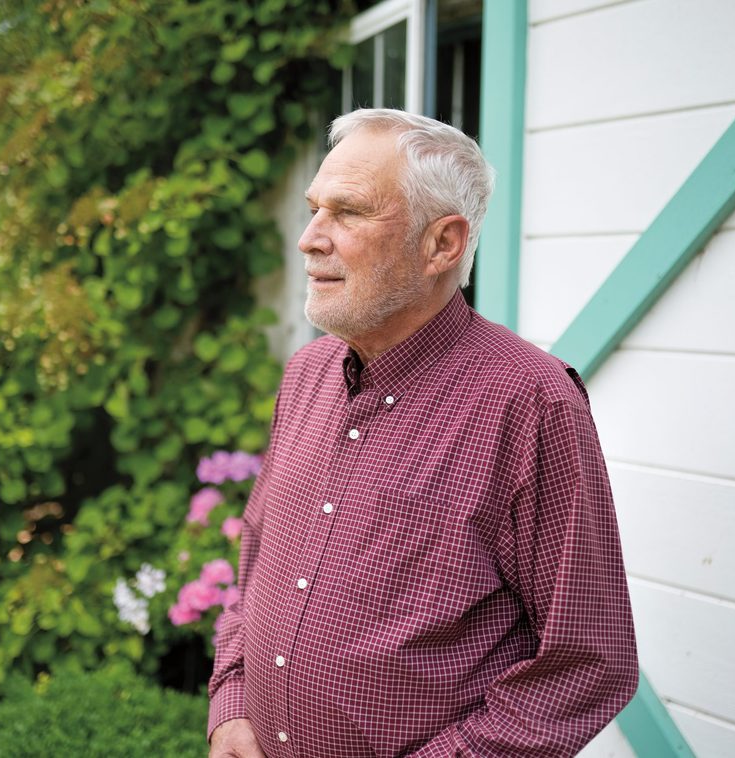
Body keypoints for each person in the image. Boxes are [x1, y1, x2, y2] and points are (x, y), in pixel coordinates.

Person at [207, 109, 638, 758]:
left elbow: (587, 663)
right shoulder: (306, 373)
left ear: (442, 244)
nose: (310, 238)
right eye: (315, 208)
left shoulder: (532, 403)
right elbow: (259, 560)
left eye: (348, 212)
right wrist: (233, 705)